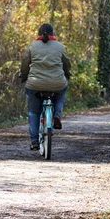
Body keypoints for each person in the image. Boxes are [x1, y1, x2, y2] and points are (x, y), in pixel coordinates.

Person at [20, 23, 71, 151]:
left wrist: (24, 76)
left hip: (35, 84)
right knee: (60, 95)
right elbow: (67, 63)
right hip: (57, 83)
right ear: (52, 33)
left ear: (39, 33)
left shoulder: (32, 46)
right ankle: (57, 115)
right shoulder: (60, 46)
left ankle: (34, 141)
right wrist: (67, 74)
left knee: (33, 111)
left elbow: (25, 64)